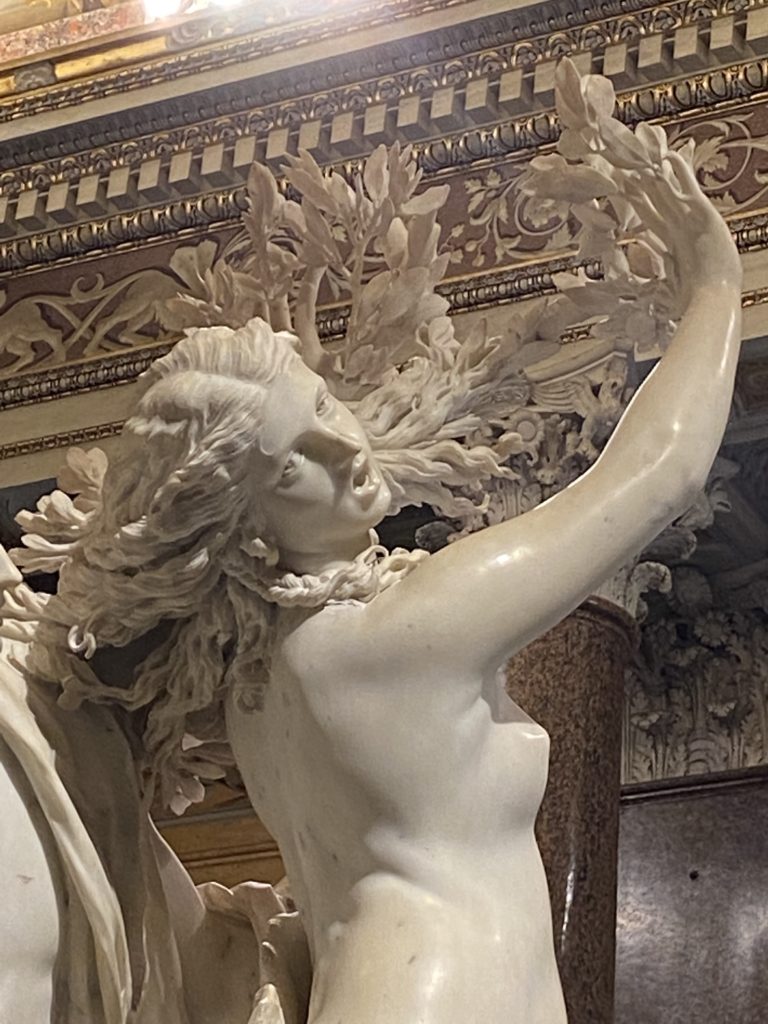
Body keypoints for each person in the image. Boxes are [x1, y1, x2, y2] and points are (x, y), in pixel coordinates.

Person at [1, 111, 742, 1023]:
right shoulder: (402, 630)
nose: (342, 446)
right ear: (241, 526)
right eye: (291, 464)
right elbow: (658, 474)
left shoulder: (259, 677)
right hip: (444, 994)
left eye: (321, 405)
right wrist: (718, 283)